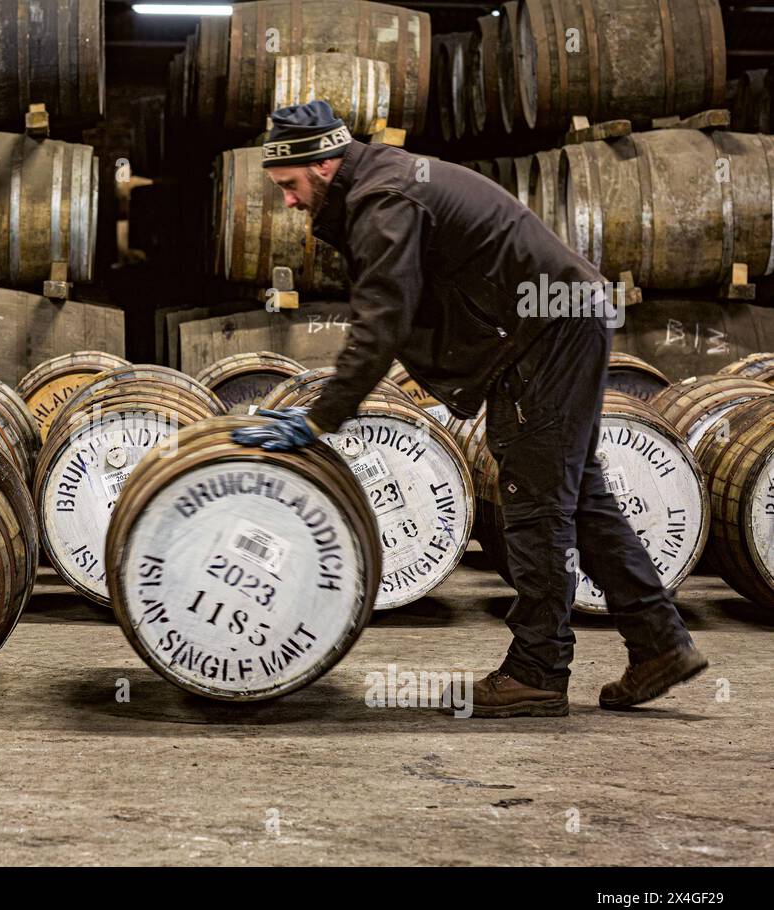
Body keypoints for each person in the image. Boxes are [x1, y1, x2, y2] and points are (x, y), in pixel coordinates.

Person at [232, 100, 708, 717]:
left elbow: (383, 319)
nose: (289, 203)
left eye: (288, 186)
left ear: (323, 165)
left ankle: (538, 671)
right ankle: (660, 642)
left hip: (548, 330)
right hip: (554, 323)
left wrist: (320, 417)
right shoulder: (382, 183)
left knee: (535, 503)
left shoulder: (384, 200)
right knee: (576, 494)